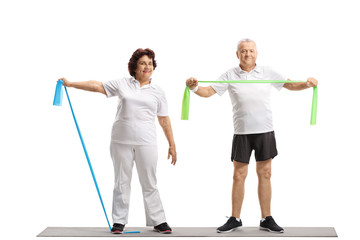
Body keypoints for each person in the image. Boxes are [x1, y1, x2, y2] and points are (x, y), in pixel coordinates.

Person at [186, 39, 318, 233]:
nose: (247, 54)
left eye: (251, 51)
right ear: (237, 54)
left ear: (257, 53)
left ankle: (266, 218)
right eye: (243, 51)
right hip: (242, 132)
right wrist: (194, 87)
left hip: (265, 130)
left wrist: (307, 84)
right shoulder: (230, 74)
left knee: (265, 173)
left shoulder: (267, 72)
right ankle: (235, 218)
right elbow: (207, 92)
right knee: (239, 175)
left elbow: (289, 85)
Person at [59, 48, 177, 234]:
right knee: (121, 181)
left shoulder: (158, 91)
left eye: (150, 63)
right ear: (135, 67)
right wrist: (71, 84)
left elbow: (164, 119)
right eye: (143, 63)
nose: (147, 66)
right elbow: (97, 86)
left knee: (149, 182)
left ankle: (158, 220)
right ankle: (119, 221)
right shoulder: (123, 84)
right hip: (121, 140)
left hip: (147, 141)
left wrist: (172, 144)